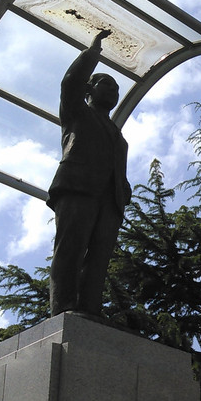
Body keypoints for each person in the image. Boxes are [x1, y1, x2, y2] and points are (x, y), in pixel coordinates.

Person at [47, 28, 132, 316]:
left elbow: (112, 163)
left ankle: (90, 308)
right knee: (70, 249)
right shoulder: (77, 112)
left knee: (99, 258)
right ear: (89, 91)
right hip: (78, 188)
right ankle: (63, 307)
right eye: (106, 85)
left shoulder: (118, 136)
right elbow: (70, 82)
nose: (113, 91)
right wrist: (93, 53)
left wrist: (123, 185)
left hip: (110, 201)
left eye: (117, 89)